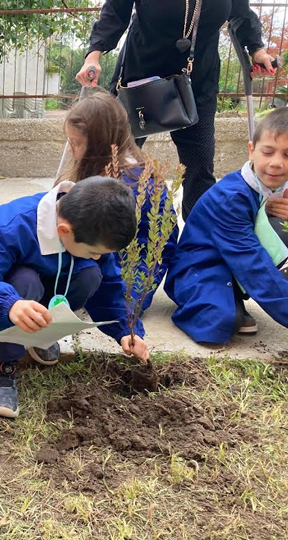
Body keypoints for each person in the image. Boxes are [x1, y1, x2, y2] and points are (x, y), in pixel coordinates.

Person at [0, 177, 150, 418]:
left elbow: (111, 285)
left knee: (92, 274)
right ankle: (3, 367)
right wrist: (9, 304)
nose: (96, 257)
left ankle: (43, 334)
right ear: (64, 231)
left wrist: (126, 330)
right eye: (93, 252)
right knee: (25, 281)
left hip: (52, 290)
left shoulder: (94, 226)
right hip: (17, 297)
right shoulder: (15, 224)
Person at [76, 0, 275, 219]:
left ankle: (197, 243)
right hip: (140, 75)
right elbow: (115, 11)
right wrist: (93, 55)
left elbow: (241, 13)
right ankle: (98, 229)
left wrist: (257, 50)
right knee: (113, 158)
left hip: (196, 81)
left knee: (199, 167)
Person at [165, 107, 288, 343]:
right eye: (268, 152)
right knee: (218, 322)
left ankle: (232, 295)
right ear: (252, 150)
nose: (276, 163)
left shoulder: (277, 186)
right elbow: (253, 263)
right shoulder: (231, 198)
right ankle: (223, 299)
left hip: (234, 260)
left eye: (287, 155)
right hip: (200, 265)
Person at [63, 90, 178, 312]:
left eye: (75, 142)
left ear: (99, 145)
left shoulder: (127, 185)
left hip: (133, 267)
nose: (70, 148)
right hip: (115, 259)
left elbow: (159, 242)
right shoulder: (117, 170)